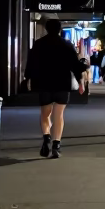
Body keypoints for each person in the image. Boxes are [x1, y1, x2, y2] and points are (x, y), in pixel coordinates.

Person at [24, 19, 84, 158]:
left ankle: (46, 138)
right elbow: (75, 65)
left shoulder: (39, 44)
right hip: (62, 83)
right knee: (59, 115)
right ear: (59, 29)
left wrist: (28, 78)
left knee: (45, 114)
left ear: (46, 29)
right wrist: (80, 81)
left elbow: (31, 63)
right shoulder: (66, 44)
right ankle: (56, 145)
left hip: (43, 83)